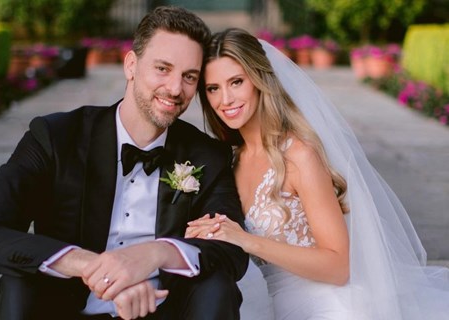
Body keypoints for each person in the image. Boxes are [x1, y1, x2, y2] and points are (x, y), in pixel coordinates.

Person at [0, 7, 248, 320]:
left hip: (161, 307)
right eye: (162, 69)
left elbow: (232, 252)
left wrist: (153, 254)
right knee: (16, 285)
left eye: (189, 77)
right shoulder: (56, 138)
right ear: (131, 65)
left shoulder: (207, 154)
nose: (176, 89)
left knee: (218, 286)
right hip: (67, 304)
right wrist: (94, 267)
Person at [185, 28, 449, 319]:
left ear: (259, 80)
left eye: (236, 82)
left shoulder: (299, 155)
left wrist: (247, 241)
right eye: (213, 88)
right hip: (271, 303)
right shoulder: (230, 161)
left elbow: (338, 266)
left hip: (328, 305)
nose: (226, 99)